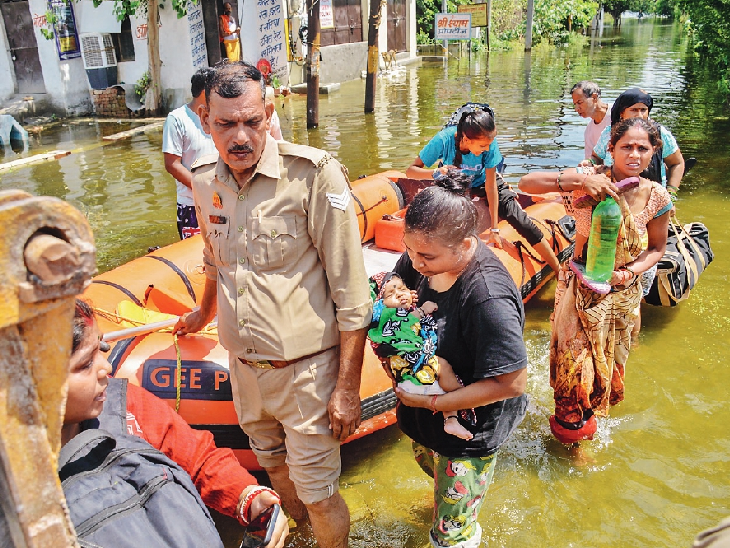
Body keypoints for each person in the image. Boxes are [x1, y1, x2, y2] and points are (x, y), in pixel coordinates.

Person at [173, 61, 372, 548]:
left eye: (251, 121)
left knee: (321, 495)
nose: (240, 136)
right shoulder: (203, 180)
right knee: (275, 474)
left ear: (268, 112)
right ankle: (303, 539)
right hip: (245, 372)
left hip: (307, 374)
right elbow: (215, 258)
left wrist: (347, 386)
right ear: (205, 119)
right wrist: (203, 313)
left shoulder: (312, 176)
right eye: (225, 124)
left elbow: (351, 293)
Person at [66, 299, 289, 547]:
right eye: (86, 363)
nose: (106, 367)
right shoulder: (21, 489)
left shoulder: (125, 403)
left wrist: (247, 495)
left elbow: (198, 458)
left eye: (103, 348)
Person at [391, 169, 528, 548]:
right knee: (440, 482)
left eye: (428, 256)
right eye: (410, 249)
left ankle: (457, 525)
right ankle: (453, 504)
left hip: (469, 431)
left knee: (451, 538)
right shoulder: (422, 257)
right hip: (427, 415)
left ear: (466, 244)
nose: (416, 262)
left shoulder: (487, 297)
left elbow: (512, 382)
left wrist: (433, 402)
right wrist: (390, 293)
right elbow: (397, 279)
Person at [519, 117, 671, 450]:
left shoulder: (656, 197)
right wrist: (576, 180)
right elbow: (526, 182)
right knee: (573, 374)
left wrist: (630, 272)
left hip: (622, 295)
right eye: (626, 147)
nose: (634, 154)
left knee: (605, 372)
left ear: (653, 152)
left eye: (642, 148)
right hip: (580, 287)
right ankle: (571, 447)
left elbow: (657, 248)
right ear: (611, 149)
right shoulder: (588, 182)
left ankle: (588, 429)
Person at [405, 106, 561, 274]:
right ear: (466, 138)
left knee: (521, 220)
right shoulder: (443, 140)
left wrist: (495, 229)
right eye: (482, 145)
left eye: (488, 145)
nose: (486, 148)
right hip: (454, 183)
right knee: (436, 223)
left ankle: (559, 270)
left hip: (482, 182)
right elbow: (411, 170)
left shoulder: (490, 145)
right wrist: (435, 173)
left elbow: (491, 185)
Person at [368, 271, 474, 441]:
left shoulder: (401, 308)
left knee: (441, 386)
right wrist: (424, 310)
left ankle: (451, 419)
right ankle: (461, 398)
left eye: (402, 289)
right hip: (412, 370)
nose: (399, 294)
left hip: (410, 382)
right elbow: (406, 322)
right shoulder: (387, 317)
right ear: (381, 302)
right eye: (391, 293)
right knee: (443, 366)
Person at [586, 87, 685, 196]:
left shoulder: (659, 133)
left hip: (652, 196)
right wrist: (591, 163)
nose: (639, 115)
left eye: (643, 110)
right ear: (622, 113)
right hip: (614, 195)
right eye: (634, 110)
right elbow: (597, 157)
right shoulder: (610, 133)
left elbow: (677, 163)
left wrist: (671, 193)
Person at [162, 67, 218, 239]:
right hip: (191, 204)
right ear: (205, 91)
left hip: (220, 200)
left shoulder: (218, 116)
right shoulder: (177, 119)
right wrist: (202, 188)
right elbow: (172, 164)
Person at [571, 80, 612, 159]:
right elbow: (590, 161)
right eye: (575, 104)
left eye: (579, 102)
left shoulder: (619, 113)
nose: (576, 109)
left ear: (594, 98)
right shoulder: (589, 131)